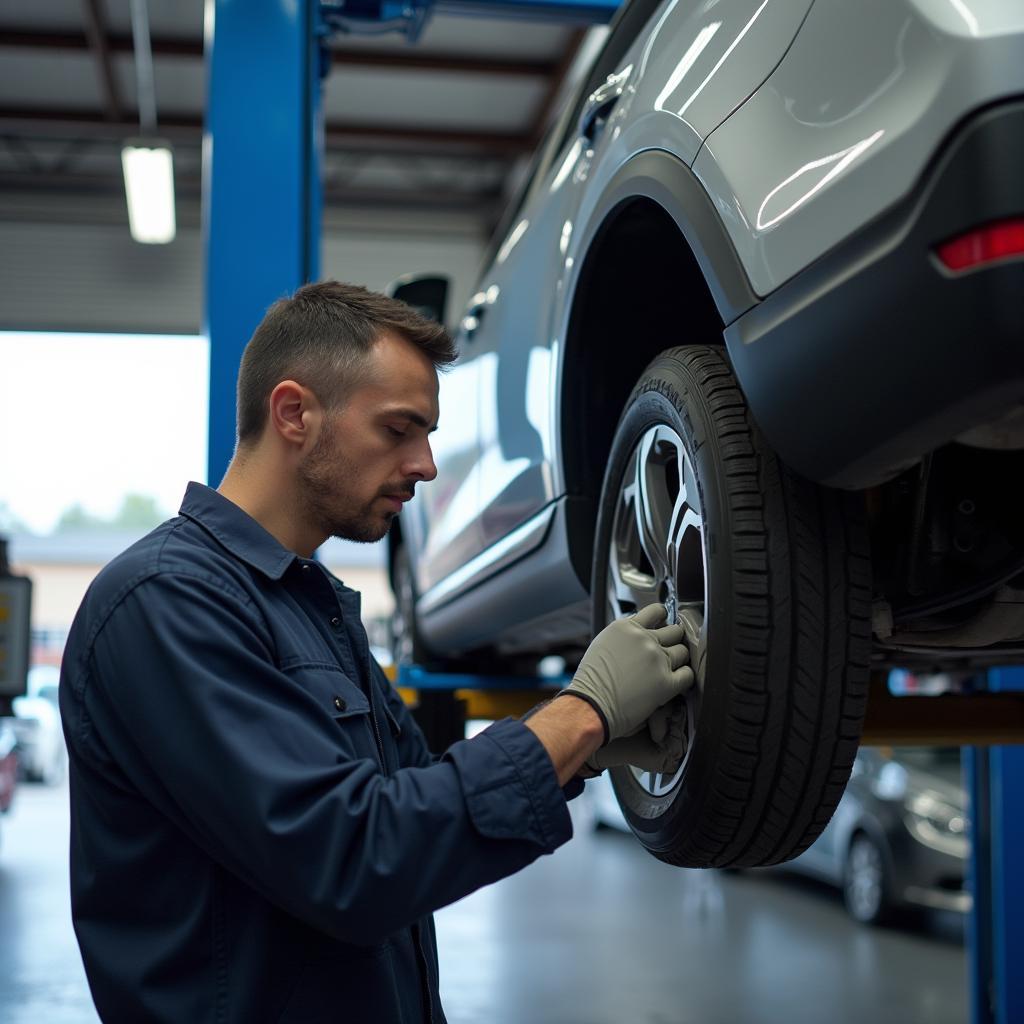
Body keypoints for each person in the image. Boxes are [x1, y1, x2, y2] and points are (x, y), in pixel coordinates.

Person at [59, 281, 693, 1023]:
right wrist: (582, 714)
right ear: (294, 413)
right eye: (400, 430)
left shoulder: (309, 604)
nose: (427, 465)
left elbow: (413, 798)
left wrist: (585, 748)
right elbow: (355, 859)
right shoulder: (166, 603)